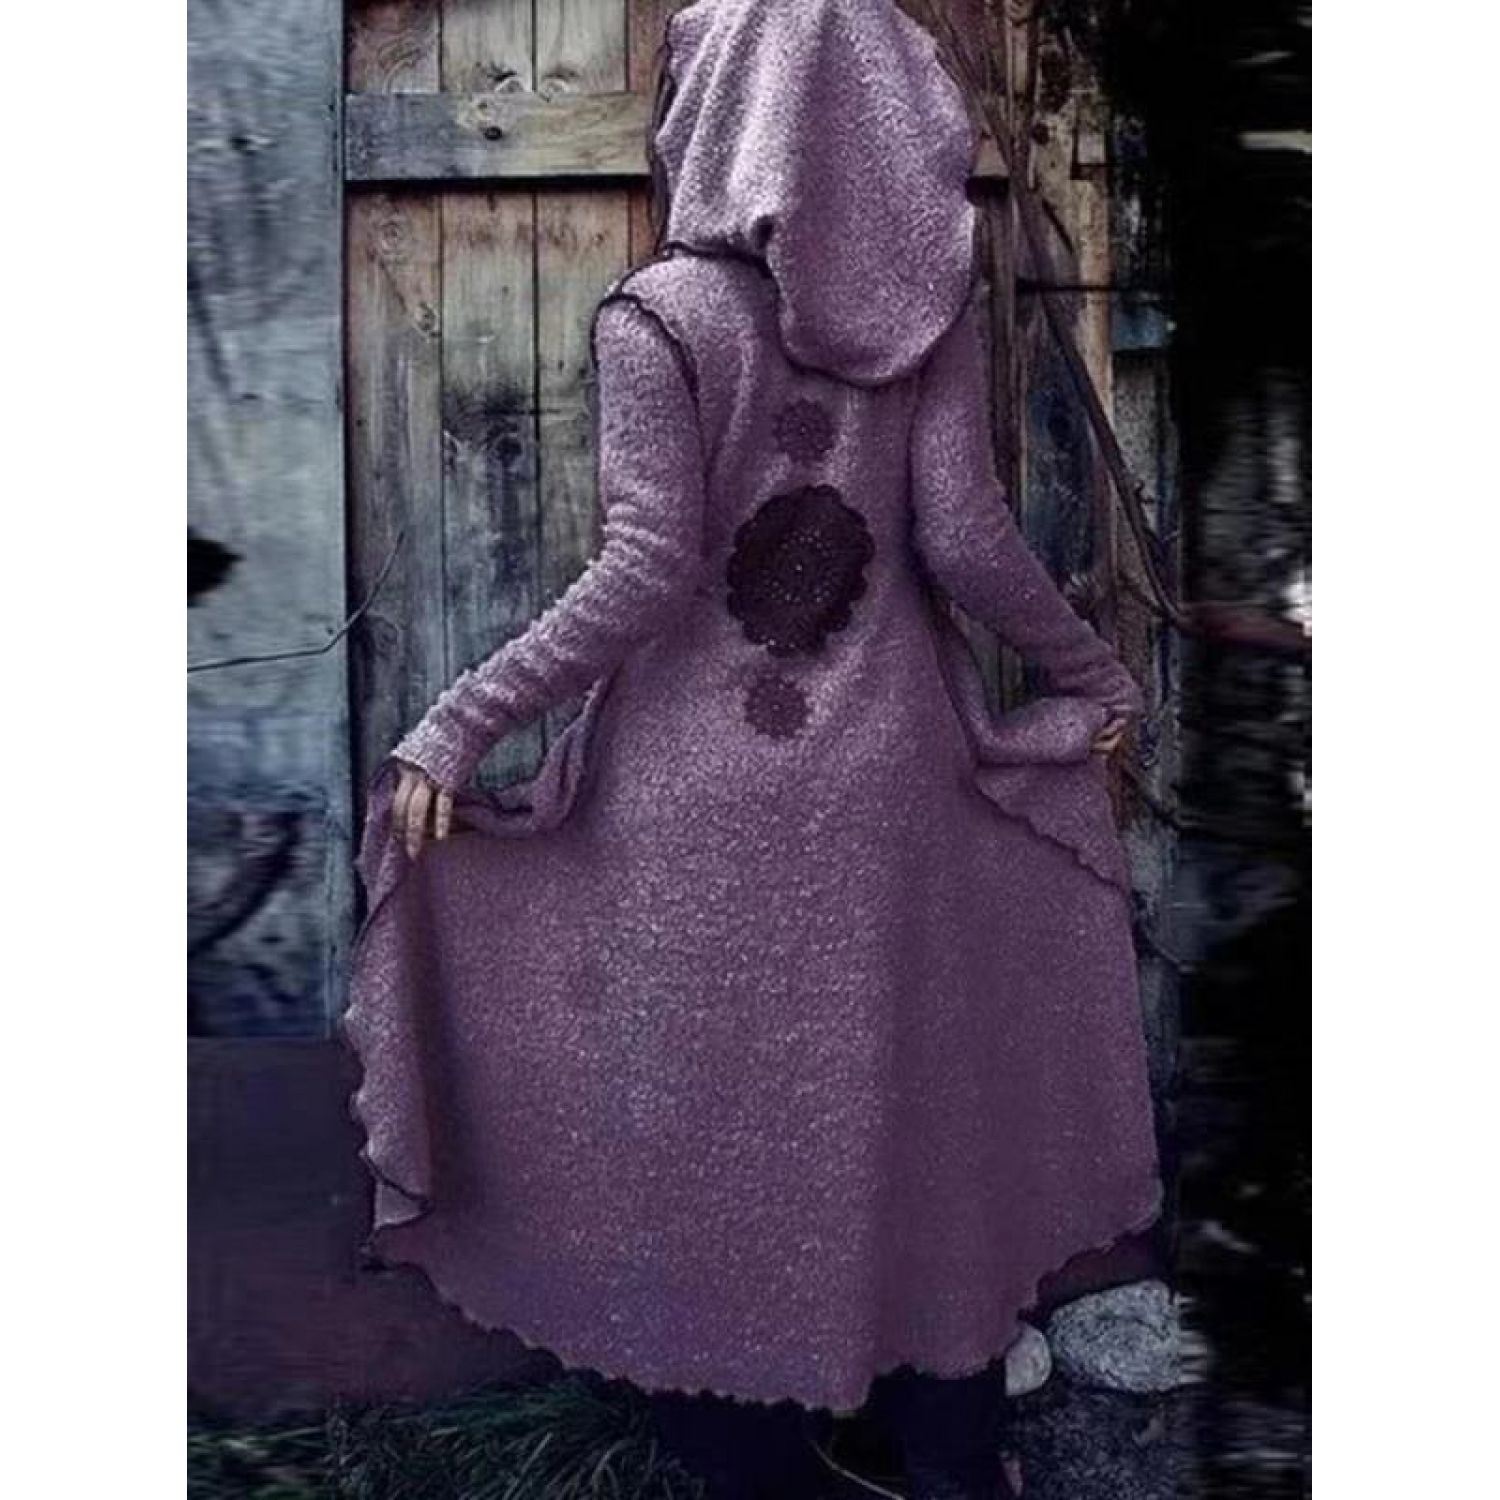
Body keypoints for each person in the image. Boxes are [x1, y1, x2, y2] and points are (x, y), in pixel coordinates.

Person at [342, 2, 1163, 1496]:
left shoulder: (658, 315)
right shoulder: (927, 314)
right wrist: (1095, 676)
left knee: (707, 1122)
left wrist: (461, 721)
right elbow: (968, 540)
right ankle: (951, 1457)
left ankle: (755, 1459)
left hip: (692, 804)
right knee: (904, 1113)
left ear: (716, 107)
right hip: (891, 792)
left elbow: (645, 570)